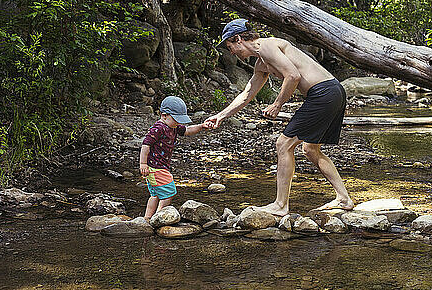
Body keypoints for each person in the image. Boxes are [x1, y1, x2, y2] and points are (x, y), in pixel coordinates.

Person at [206, 19, 354, 216]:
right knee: (310, 149)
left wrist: (277, 105)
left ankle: (280, 205)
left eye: (230, 46)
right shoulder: (261, 64)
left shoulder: (267, 45)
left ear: (238, 38)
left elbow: (292, 76)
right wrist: (221, 116)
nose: (231, 51)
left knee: (283, 145)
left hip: (323, 92)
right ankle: (344, 198)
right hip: (333, 91)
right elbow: (247, 94)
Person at [140, 96, 209, 221]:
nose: (179, 123)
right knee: (169, 193)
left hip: (158, 167)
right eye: (176, 119)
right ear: (164, 115)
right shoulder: (158, 128)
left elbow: (187, 131)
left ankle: (147, 218)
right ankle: (158, 217)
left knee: (155, 194)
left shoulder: (174, 126)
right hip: (156, 167)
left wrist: (201, 126)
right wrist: (143, 164)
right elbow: (146, 144)